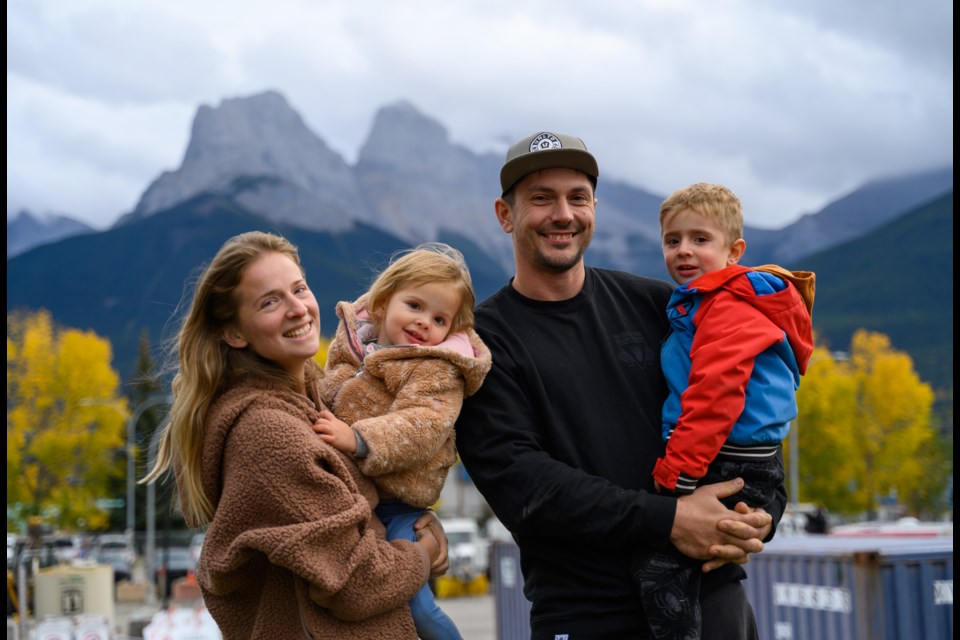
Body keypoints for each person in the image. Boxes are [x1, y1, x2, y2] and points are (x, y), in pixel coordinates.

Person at [454, 131, 786, 640]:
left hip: (712, 599)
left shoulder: (661, 306)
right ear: (505, 215)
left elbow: (748, 399)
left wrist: (764, 508)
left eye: (577, 197)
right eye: (541, 198)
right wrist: (668, 519)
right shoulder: (482, 343)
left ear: (593, 208)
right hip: (588, 614)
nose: (562, 213)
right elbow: (525, 485)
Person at [142, 231, 449, 639]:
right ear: (235, 333)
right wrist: (422, 552)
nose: (297, 309)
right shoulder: (267, 435)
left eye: (299, 289)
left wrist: (409, 521)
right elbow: (356, 583)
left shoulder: (313, 398)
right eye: (269, 302)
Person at [633, 182, 815, 639]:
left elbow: (715, 395)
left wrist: (678, 475)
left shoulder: (725, 305)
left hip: (723, 458)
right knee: (702, 565)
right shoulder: (708, 303)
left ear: (734, 251)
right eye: (672, 241)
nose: (683, 251)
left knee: (660, 569)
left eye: (700, 239)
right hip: (746, 458)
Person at [312, 242, 492, 640]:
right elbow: (328, 387)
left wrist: (358, 438)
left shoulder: (436, 368)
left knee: (416, 609)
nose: (425, 322)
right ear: (382, 302)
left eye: (440, 318)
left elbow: (421, 426)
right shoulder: (355, 346)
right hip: (352, 496)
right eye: (415, 306)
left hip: (399, 504)